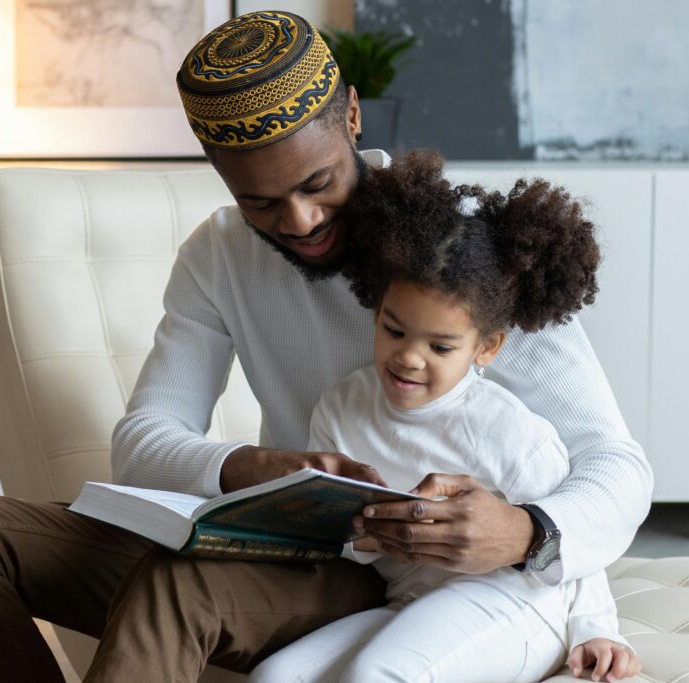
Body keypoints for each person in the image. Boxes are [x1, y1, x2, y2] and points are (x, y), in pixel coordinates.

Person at [0, 10, 652, 682]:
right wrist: (248, 467)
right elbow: (143, 440)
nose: (297, 220)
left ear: (352, 114)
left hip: (387, 574)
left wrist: (526, 532)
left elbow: (616, 466)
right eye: (258, 199)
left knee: (178, 584)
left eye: (318, 182)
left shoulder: (459, 254)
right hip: (275, 542)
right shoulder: (218, 255)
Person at [250, 150, 641, 683]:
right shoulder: (340, 410)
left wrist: (600, 629)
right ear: (375, 310)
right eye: (393, 331)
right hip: (411, 603)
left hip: (517, 603)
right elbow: (350, 548)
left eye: (440, 346)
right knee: (276, 677)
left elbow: (570, 541)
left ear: (485, 348)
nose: (409, 357)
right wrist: (361, 535)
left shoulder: (506, 427)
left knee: (376, 673)